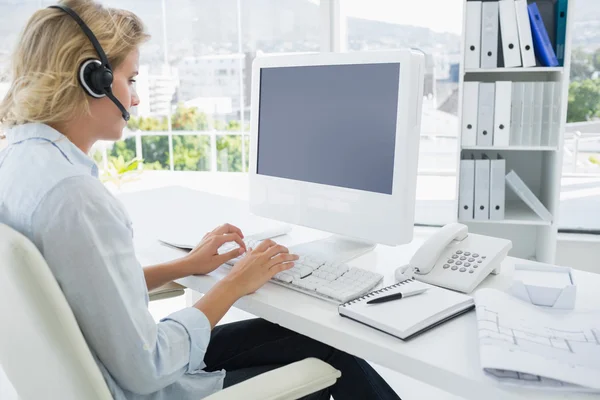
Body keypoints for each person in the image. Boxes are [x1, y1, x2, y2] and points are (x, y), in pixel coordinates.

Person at [0, 1, 401, 399]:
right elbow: (148, 367)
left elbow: (87, 293)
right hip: (153, 384)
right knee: (334, 352)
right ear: (94, 79)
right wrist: (233, 283)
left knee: (315, 339)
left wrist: (186, 265)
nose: (136, 99)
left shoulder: (19, 164)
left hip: (116, 370)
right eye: (131, 79)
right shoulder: (74, 196)